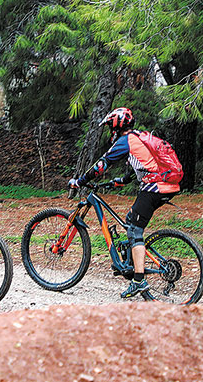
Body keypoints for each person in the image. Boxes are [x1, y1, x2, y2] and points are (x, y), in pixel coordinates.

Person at [69, 107, 181, 299]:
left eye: (110, 128)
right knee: (131, 220)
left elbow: (101, 165)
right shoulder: (139, 137)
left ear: (115, 126)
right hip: (168, 186)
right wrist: (116, 182)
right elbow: (134, 171)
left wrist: (80, 181)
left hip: (155, 187)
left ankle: (138, 280)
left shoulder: (125, 141)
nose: (110, 132)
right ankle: (131, 263)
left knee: (134, 230)